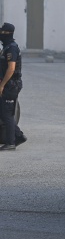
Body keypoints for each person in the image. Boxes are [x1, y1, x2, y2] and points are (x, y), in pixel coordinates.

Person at [0, 22, 26, 151]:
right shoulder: (6, 47)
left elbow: (11, 69)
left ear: (7, 33)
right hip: (9, 84)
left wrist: (2, 85)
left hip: (11, 85)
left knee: (7, 114)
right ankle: (19, 136)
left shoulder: (11, 48)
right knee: (4, 112)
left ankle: (11, 143)